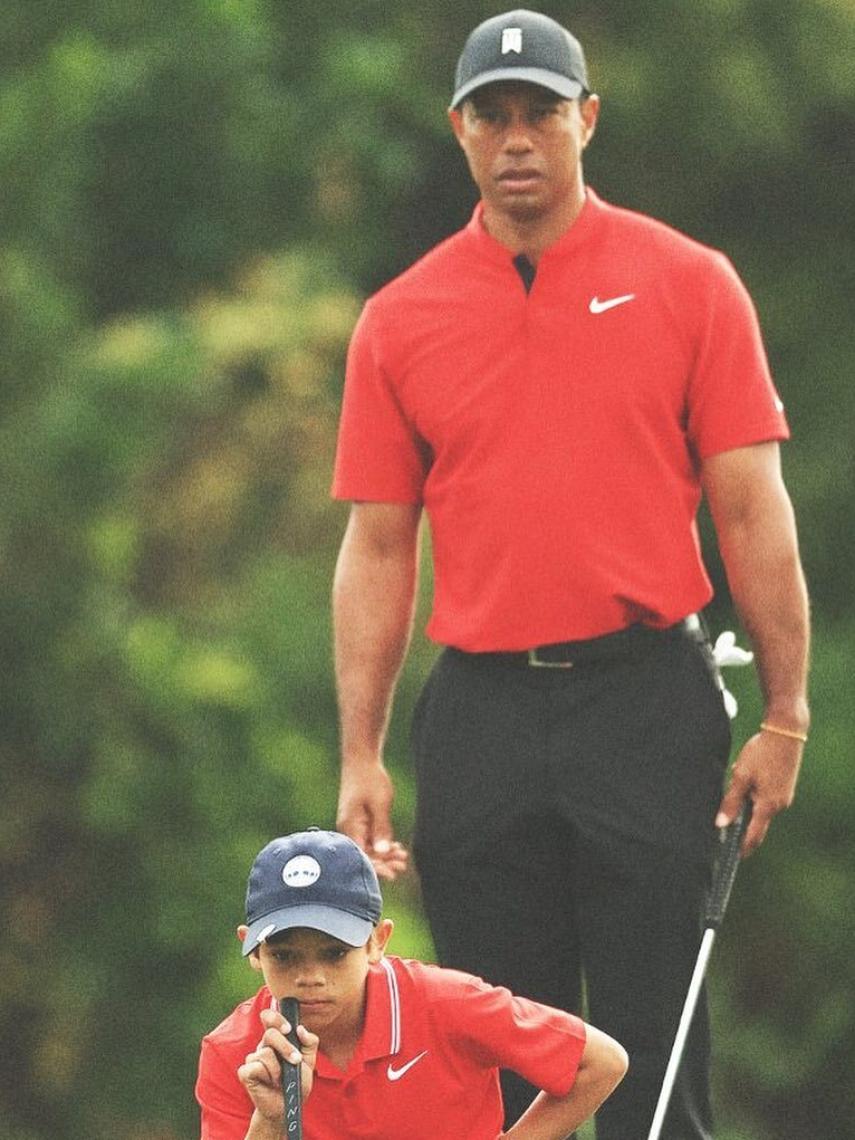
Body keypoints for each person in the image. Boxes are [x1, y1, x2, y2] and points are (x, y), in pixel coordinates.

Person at [331, 9, 810, 1138]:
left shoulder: (691, 284)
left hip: (645, 699)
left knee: (653, 1059)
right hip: (482, 712)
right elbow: (380, 546)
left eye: (540, 111)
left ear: (585, 119)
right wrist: (360, 749)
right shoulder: (401, 321)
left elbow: (751, 508)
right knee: (495, 1059)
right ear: (459, 133)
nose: (517, 139)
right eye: (491, 116)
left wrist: (787, 713)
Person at [195, 827, 628, 1139]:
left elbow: (601, 1062)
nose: (310, 977)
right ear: (252, 951)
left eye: (335, 952)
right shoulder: (233, 1051)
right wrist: (270, 1123)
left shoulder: (446, 1003)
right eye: (284, 956)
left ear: (376, 943)